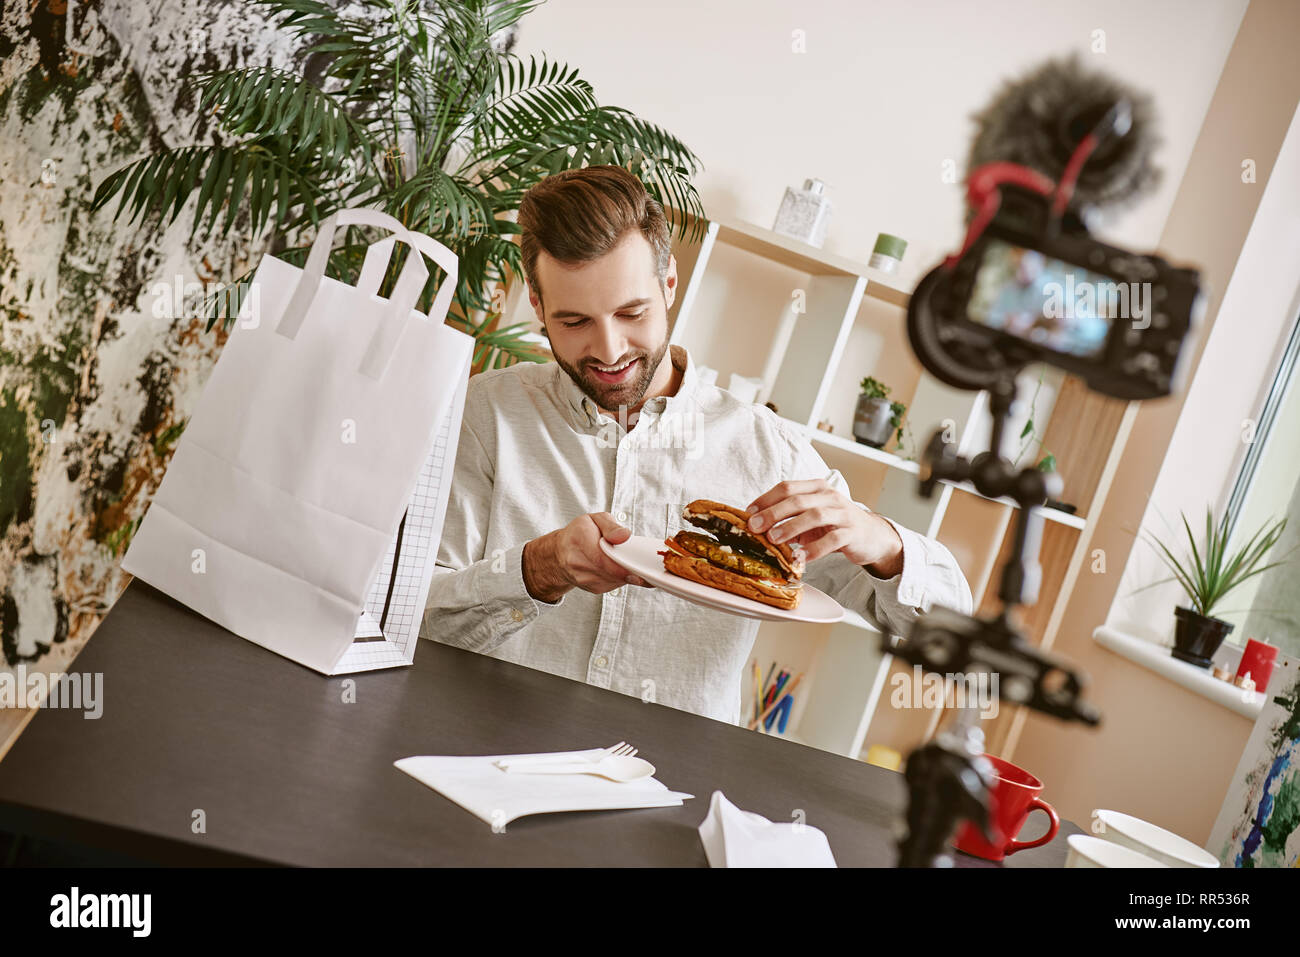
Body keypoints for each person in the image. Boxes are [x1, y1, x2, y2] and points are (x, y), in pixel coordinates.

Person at [421, 165, 973, 723]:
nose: (609, 349)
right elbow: (412, 618)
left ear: (669, 285)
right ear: (538, 309)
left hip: (675, 785)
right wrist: (535, 571)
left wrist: (880, 541)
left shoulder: (765, 447)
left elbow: (955, 645)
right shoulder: (488, 415)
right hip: (491, 753)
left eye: (631, 313)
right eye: (574, 321)